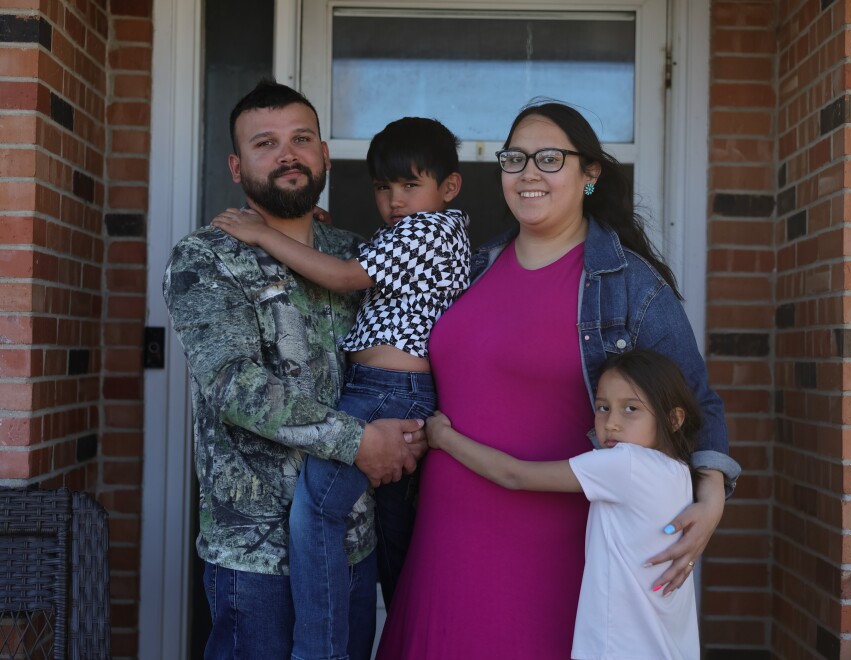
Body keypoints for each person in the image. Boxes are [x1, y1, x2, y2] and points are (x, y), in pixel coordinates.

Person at [376, 101, 741, 659]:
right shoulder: (470, 267)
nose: (528, 173)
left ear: (588, 175)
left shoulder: (626, 284)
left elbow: (696, 401)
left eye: (549, 158)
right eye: (515, 158)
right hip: (444, 538)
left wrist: (710, 496)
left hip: (556, 551)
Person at [163, 80, 426, 660]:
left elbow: (419, 337)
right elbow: (235, 386)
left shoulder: (352, 252)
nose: (288, 154)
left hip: (353, 541)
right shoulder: (205, 259)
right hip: (257, 554)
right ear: (237, 166)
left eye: (301, 139)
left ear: (324, 155)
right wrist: (359, 441)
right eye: (266, 143)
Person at [211, 116, 470, 660]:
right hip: (390, 390)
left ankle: (319, 651)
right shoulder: (409, 234)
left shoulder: (430, 230)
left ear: (448, 188)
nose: (395, 199)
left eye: (410, 185)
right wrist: (315, 232)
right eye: (383, 187)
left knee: (317, 510)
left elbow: (345, 277)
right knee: (400, 535)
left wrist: (264, 233)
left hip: (387, 392)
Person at [426, 350, 702, 659]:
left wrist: (443, 437)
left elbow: (514, 474)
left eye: (630, 409)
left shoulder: (625, 462)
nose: (611, 423)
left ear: (673, 419)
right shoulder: (680, 471)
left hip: (618, 648)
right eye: (603, 407)